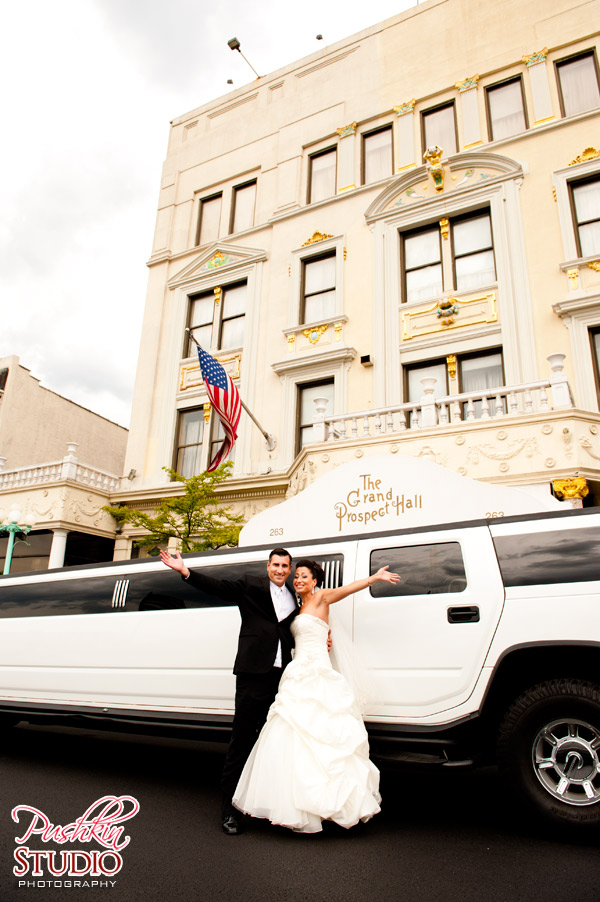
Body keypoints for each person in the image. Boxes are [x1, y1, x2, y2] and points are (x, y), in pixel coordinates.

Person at [232, 558, 400, 833]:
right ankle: (292, 803)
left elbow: (347, 589)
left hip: (319, 673)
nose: (297, 580)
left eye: (303, 576)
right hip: (297, 672)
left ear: (315, 581)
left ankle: (329, 806)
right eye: (295, 576)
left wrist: (374, 578)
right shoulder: (296, 609)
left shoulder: (322, 597)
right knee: (290, 733)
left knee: (325, 736)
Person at [159, 546, 299, 836]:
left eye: (285, 566)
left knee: (272, 743)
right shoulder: (250, 584)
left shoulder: (293, 597)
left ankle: (261, 805)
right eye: (276, 565)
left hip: (282, 678)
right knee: (242, 743)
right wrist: (186, 572)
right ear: (268, 566)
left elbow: (292, 629)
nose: (280, 570)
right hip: (252, 675)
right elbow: (219, 588)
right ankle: (229, 811)